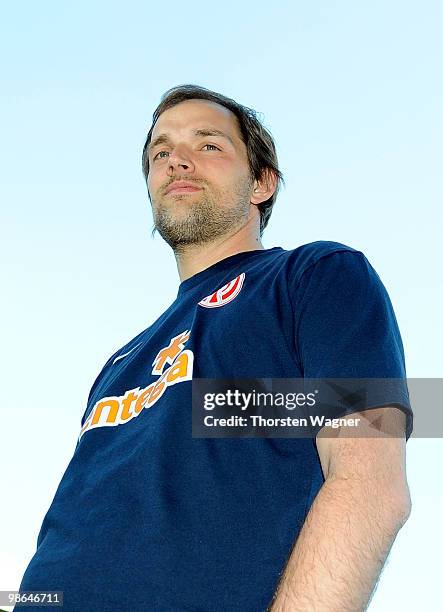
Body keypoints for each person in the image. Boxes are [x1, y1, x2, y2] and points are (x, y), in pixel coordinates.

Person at [18, 84, 413, 611]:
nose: (176, 161)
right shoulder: (117, 365)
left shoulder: (314, 276)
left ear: (261, 184)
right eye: (161, 152)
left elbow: (370, 487)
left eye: (207, 145)